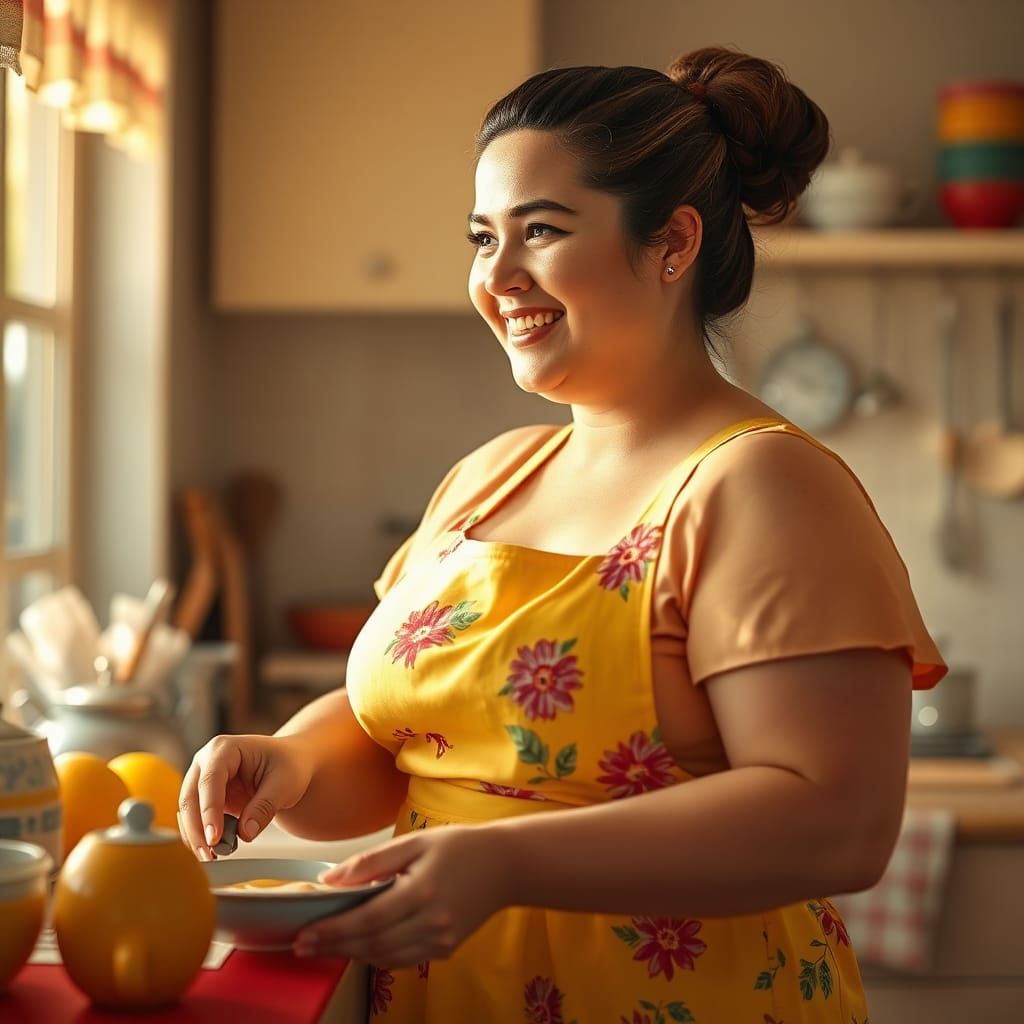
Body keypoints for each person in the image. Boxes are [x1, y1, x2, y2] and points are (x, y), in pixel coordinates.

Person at [179, 45, 946, 1022]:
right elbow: (402, 745)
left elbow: (835, 823)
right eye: (480, 237)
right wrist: (282, 759)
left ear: (670, 244)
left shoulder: (762, 484)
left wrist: (501, 863)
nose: (497, 275)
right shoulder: (489, 476)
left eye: (539, 231)